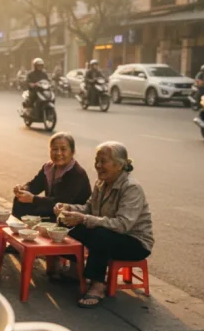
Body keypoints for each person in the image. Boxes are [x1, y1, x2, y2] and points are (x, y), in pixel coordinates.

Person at [54, 142, 153, 309]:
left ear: (120, 165)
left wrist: (84, 218)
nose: (98, 166)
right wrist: (68, 208)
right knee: (68, 222)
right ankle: (74, 270)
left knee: (100, 235)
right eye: (96, 161)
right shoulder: (101, 183)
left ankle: (98, 285)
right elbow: (88, 208)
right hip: (109, 233)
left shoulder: (131, 188)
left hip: (134, 242)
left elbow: (122, 225)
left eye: (103, 161)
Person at [12, 132, 91, 221]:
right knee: (20, 199)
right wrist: (23, 189)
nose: (58, 153)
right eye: (54, 149)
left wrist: (33, 199)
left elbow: (61, 202)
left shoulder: (76, 173)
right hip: (51, 208)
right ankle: (15, 230)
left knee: (39, 214)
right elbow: (34, 185)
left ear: (72, 152)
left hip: (69, 215)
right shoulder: (48, 167)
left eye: (63, 149)